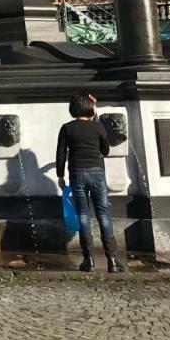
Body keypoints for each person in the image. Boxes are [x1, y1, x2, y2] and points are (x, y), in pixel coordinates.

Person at [56, 92, 124, 273]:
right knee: (103, 213)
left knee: (83, 215)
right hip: (97, 173)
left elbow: (61, 154)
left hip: (77, 174)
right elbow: (106, 150)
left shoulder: (67, 128)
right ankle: (113, 260)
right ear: (90, 108)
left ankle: (89, 260)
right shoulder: (98, 127)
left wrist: (60, 176)